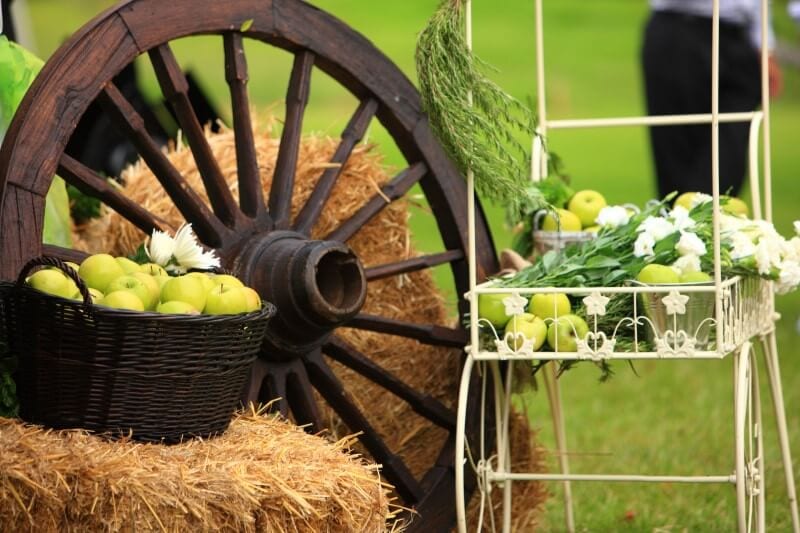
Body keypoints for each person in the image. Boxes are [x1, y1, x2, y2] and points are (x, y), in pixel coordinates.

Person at [642, 0, 782, 200]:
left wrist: (765, 45)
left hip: (739, 37)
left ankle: (706, 223)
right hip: (680, 33)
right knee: (678, 160)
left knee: (729, 156)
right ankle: (683, 226)